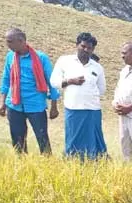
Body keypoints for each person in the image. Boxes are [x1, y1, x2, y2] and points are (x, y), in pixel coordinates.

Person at [0, 28, 60, 155]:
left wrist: (54, 106)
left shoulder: (41, 58)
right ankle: (22, 167)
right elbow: (6, 80)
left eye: (10, 41)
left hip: (36, 105)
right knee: (17, 140)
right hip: (14, 105)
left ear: (21, 41)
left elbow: (52, 82)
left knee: (42, 138)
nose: (7, 44)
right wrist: (2, 102)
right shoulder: (10, 57)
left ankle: (48, 166)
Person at [50, 32, 107, 160]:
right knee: (73, 138)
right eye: (83, 46)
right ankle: (73, 163)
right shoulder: (65, 61)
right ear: (77, 45)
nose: (86, 50)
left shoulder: (97, 67)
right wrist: (70, 81)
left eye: (90, 48)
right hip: (73, 108)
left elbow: (102, 89)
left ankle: (94, 162)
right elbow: (54, 81)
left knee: (93, 139)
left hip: (93, 110)